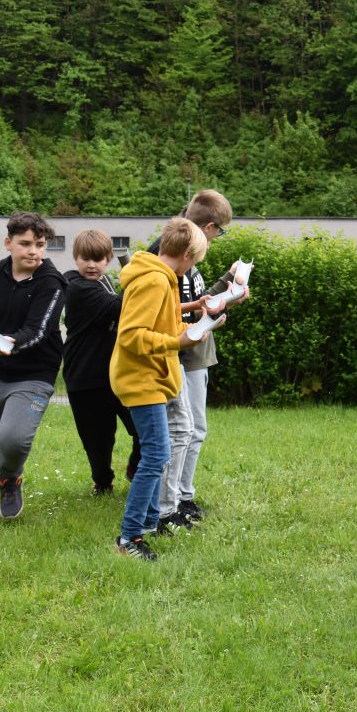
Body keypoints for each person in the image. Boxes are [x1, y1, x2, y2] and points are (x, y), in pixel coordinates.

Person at [111, 218, 217, 559]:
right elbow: (131, 335)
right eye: (195, 260)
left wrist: (198, 325)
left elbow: (164, 324)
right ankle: (129, 538)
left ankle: (148, 523)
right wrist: (178, 341)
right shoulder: (155, 280)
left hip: (153, 377)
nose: (193, 267)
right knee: (156, 454)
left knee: (159, 452)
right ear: (186, 254)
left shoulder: (162, 277)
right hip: (141, 378)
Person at [147, 189, 242, 527]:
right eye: (220, 231)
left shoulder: (186, 252)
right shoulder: (168, 253)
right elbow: (163, 311)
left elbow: (194, 302)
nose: (215, 239)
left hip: (193, 349)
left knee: (193, 430)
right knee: (181, 432)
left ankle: (180, 498)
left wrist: (227, 288)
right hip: (179, 353)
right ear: (210, 226)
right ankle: (168, 506)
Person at [0, 212, 66, 521]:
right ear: (8, 243)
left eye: (40, 244)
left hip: (34, 375)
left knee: (12, 438)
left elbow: (38, 331)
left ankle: (10, 478)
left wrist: (10, 342)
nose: (33, 251)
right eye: (25, 244)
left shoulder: (52, 283)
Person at [63, 229, 141, 495]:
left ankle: (135, 468)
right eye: (85, 258)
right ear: (76, 258)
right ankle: (103, 481)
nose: (91, 265)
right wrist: (140, 275)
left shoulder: (104, 281)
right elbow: (122, 307)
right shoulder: (77, 287)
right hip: (85, 376)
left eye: (98, 259)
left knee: (143, 428)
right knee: (98, 441)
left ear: (108, 259)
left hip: (118, 374)